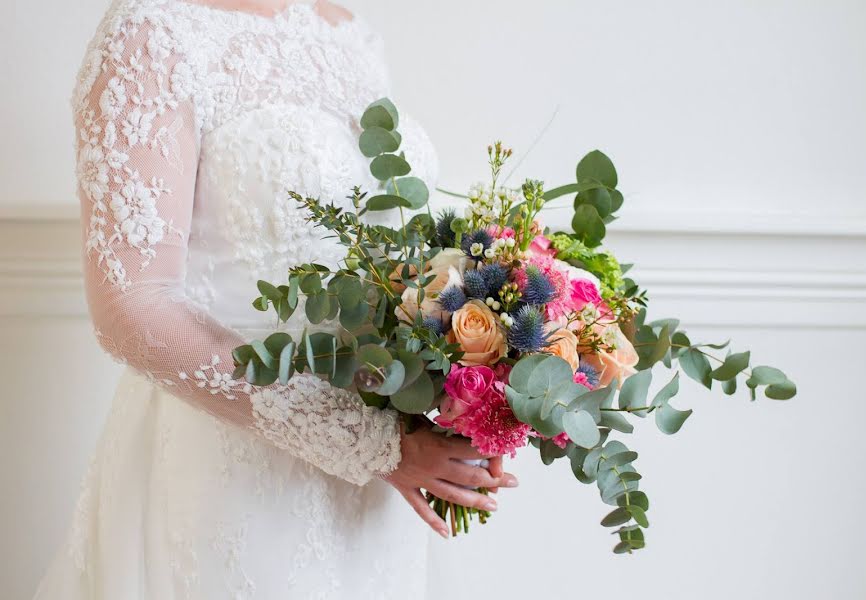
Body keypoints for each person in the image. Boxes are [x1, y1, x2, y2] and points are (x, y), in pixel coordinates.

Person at [35, 0, 517, 597]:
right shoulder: (150, 34)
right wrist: (367, 445)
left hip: (385, 486)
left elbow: (388, 259)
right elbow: (131, 306)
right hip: (233, 468)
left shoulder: (349, 33)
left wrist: (465, 389)